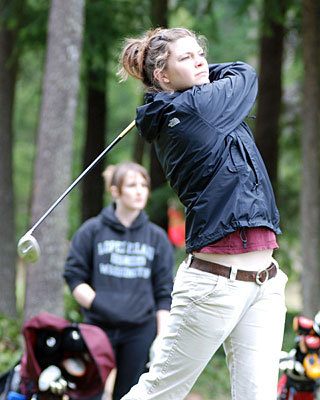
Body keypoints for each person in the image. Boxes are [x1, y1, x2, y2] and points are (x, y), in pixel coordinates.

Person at [116, 27, 288, 400]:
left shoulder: (197, 103)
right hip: (215, 284)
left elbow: (223, 77)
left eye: (200, 54)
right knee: (160, 391)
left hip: (265, 283)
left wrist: (189, 74)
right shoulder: (193, 109)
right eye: (186, 58)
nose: (199, 61)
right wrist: (192, 81)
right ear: (162, 76)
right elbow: (244, 74)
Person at [63, 162, 174, 400]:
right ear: (115, 191)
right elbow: (74, 277)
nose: (139, 191)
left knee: (131, 395)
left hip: (140, 331)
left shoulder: (157, 238)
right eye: (132, 185)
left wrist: (162, 338)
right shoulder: (91, 231)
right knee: (88, 394)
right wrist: (102, 305)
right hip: (98, 327)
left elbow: (164, 293)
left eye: (144, 185)